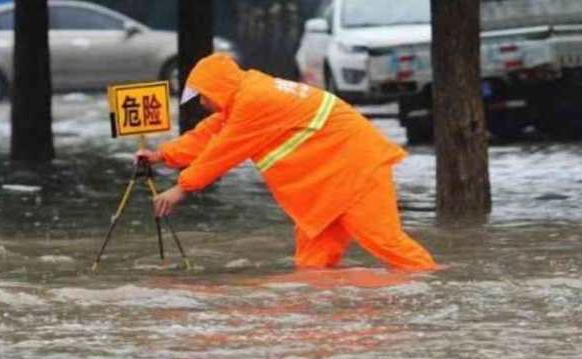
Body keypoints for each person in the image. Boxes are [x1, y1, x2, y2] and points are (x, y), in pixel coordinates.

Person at [135, 54, 436, 272]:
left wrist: (181, 189)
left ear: (218, 88)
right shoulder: (246, 95)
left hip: (354, 171)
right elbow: (211, 133)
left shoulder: (254, 100)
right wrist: (162, 155)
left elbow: (223, 150)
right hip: (328, 184)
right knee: (312, 267)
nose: (202, 104)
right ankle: (323, 323)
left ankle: (437, 288)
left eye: (203, 96)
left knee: (387, 243)